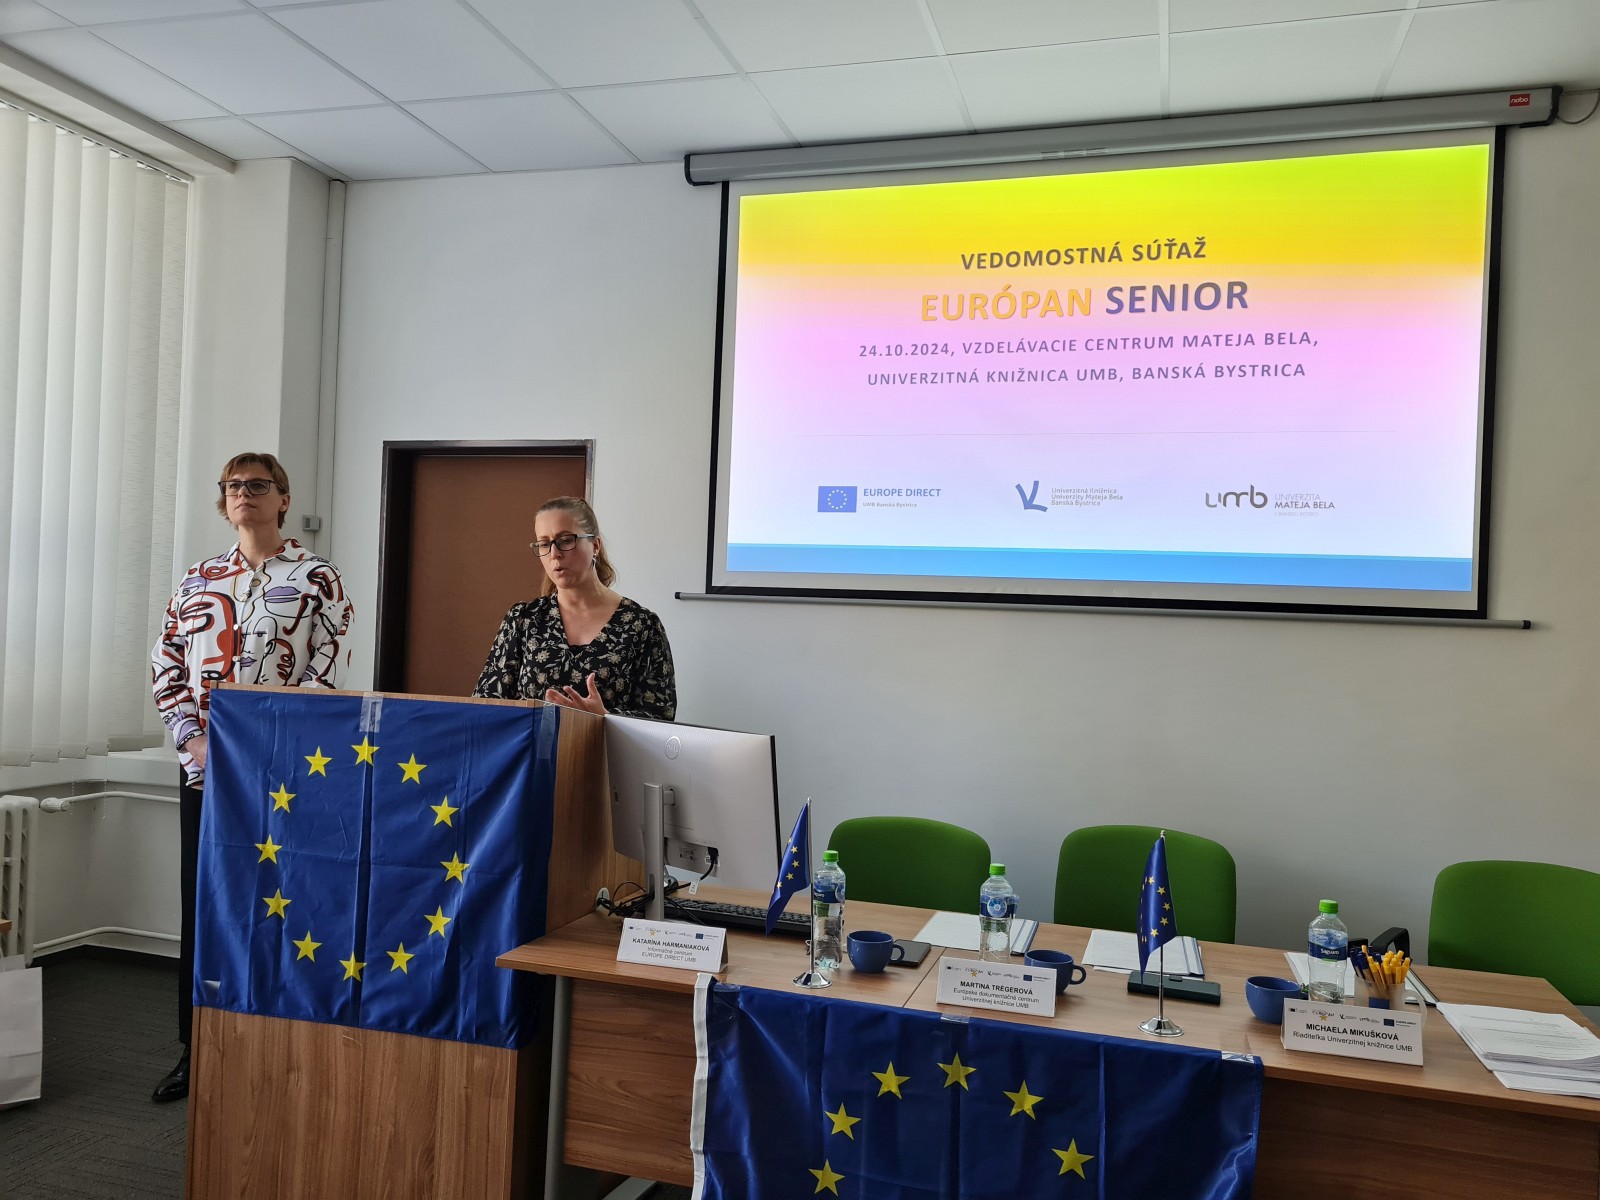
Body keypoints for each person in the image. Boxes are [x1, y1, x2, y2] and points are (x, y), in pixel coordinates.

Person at [148, 452, 353, 1103]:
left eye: (258, 485)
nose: (244, 494)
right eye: (233, 485)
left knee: (277, 906)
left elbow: (327, 670)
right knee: (205, 906)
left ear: (283, 498)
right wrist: (192, 739)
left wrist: (273, 746)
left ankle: (271, 1048)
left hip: (282, 776)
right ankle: (195, 1049)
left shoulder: (317, 577)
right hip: (206, 775)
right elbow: (166, 664)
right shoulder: (198, 579)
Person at [473, 496, 675, 719]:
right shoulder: (523, 619)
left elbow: (661, 715)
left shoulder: (642, 625)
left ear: (595, 546)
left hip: (606, 744)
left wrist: (605, 718)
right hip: (532, 743)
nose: (554, 554)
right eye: (544, 544)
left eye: (566, 540)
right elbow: (484, 705)